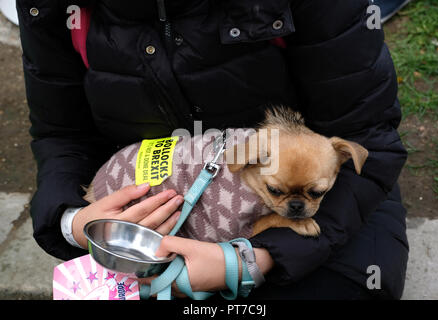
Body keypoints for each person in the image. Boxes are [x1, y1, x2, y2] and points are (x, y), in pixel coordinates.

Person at [17, 0, 408, 299]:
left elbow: (370, 138)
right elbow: (60, 134)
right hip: (148, 219)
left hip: (339, 215)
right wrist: (74, 221)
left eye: (311, 193)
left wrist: (259, 256)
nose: (296, 201)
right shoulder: (55, 8)